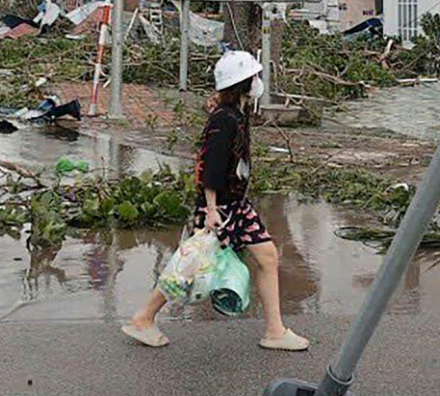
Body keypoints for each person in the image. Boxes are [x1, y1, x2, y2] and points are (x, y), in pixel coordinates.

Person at [122, 49, 308, 352]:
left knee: (267, 257)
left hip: (235, 206)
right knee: (189, 267)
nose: (258, 82)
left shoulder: (235, 115)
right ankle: (143, 318)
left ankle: (275, 330)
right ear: (244, 84)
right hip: (220, 208)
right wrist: (210, 210)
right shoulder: (225, 120)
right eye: (254, 77)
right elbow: (209, 167)